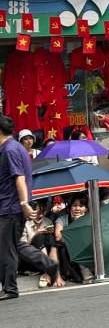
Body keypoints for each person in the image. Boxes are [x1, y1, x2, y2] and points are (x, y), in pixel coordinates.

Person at [0, 115, 34, 299]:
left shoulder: (10, 150)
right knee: (7, 247)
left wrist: (23, 203)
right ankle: (7, 286)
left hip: (11, 207)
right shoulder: (13, 148)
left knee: (8, 249)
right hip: (9, 206)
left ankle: (10, 288)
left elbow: (19, 178)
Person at [18, 199, 63, 288]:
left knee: (50, 237)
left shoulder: (47, 221)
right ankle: (50, 271)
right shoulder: (25, 223)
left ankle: (54, 273)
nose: (41, 215)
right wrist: (37, 233)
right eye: (38, 212)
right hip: (29, 259)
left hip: (46, 253)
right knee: (39, 237)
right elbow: (22, 247)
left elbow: (52, 242)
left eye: (43, 211)